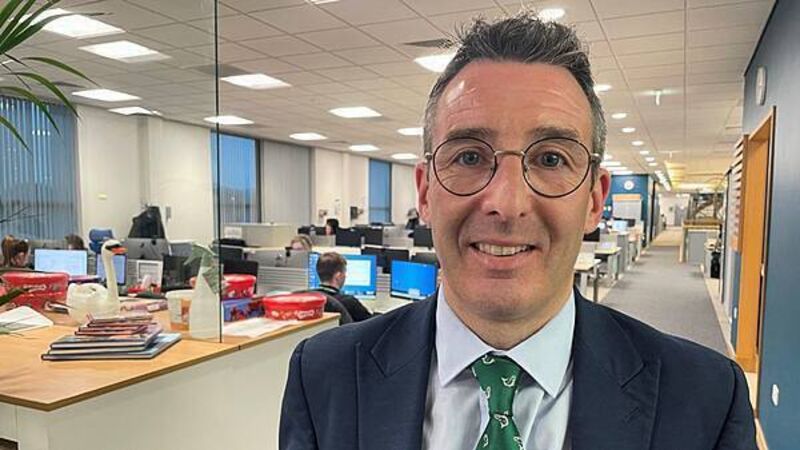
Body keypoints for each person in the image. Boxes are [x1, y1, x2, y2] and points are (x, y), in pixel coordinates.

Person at [280, 13, 755, 450]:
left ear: (594, 199)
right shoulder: (323, 376)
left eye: (551, 159)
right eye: (469, 156)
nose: (506, 204)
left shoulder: (706, 399)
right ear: (425, 192)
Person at [312, 252, 372, 323]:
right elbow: (371, 323)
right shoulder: (349, 302)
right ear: (338, 276)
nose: (345, 276)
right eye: (344, 273)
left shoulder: (311, 298)